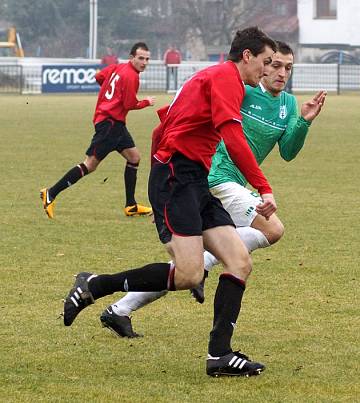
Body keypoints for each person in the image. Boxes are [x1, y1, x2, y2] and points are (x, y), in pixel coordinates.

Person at [61, 27, 278, 378]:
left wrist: (156, 181)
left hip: (191, 179)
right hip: (177, 177)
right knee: (190, 275)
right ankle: (96, 285)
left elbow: (160, 129)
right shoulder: (226, 77)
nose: (267, 71)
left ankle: (219, 356)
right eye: (266, 62)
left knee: (239, 261)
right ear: (247, 56)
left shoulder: (215, 78)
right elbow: (233, 136)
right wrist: (263, 187)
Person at [99, 41, 327, 338]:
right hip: (215, 175)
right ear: (261, 63)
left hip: (234, 183)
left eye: (288, 67)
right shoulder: (243, 89)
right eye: (274, 64)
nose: (281, 72)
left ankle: (120, 309)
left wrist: (304, 123)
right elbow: (191, 113)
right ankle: (204, 275)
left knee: (187, 268)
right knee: (272, 229)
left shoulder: (288, 104)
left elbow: (288, 151)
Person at [41, 43, 156, 219]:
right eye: (141, 58)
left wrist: (110, 92)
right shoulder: (132, 76)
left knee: (134, 157)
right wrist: (147, 101)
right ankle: (51, 193)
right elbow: (129, 104)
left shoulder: (118, 67)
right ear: (132, 57)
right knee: (90, 165)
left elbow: (98, 76)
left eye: (147, 59)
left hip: (114, 124)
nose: (144, 62)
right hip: (109, 125)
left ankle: (130, 205)